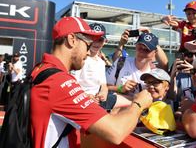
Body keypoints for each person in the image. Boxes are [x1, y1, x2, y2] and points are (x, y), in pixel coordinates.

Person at [30, 17, 153, 148]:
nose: (89, 53)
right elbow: (116, 132)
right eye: (88, 45)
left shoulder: (41, 68)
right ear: (72, 40)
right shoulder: (59, 82)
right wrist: (139, 104)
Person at [106, 32, 158, 104]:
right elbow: (104, 88)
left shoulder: (155, 73)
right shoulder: (121, 62)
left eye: (147, 50)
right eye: (140, 48)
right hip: (116, 111)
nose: (142, 52)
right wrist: (121, 88)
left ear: (154, 52)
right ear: (135, 47)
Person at [73, 23, 114, 109]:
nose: (96, 43)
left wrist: (103, 93)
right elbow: (72, 86)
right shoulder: (79, 59)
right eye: (93, 39)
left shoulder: (101, 63)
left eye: (100, 40)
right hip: (79, 102)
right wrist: (86, 96)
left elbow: (104, 85)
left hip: (96, 102)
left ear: (105, 42)